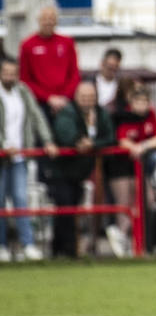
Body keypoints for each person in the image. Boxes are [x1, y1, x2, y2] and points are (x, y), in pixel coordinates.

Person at [0, 57, 57, 262]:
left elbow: (36, 116)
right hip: (2, 156)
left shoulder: (22, 91)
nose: (10, 77)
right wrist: (4, 146)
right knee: (0, 202)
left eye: (13, 73)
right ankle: (2, 247)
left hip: (20, 157)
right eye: (6, 73)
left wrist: (48, 140)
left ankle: (27, 244)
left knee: (20, 199)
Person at [49, 82, 114, 257]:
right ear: (77, 97)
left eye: (91, 97)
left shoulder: (100, 113)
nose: (88, 101)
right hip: (61, 171)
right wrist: (79, 141)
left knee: (71, 210)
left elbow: (110, 137)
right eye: (84, 97)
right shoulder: (68, 112)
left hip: (81, 172)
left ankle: (60, 251)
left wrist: (93, 144)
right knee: (66, 210)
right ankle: (68, 252)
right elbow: (65, 134)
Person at [107, 84, 156, 258]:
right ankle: (121, 237)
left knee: (148, 199)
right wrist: (134, 147)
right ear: (131, 103)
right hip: (120, 165)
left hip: (139, 165)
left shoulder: (150, 114)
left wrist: (141, 147)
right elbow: (121, 140)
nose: (142, 105)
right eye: (138, 101)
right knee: (125, 203)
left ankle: (132, 241)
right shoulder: (123, 116)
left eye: (144, 101)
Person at [18, 5, 79, 116]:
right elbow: (25, 79)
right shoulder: (27, 45)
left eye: (51, 19)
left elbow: (74, 74)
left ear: (56, 21)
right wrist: (48, 98)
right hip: (39, 102)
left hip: (66, 100)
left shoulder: (67, 42)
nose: (48, 22)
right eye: (44, 19)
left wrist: (64, 97)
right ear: (38, 21)